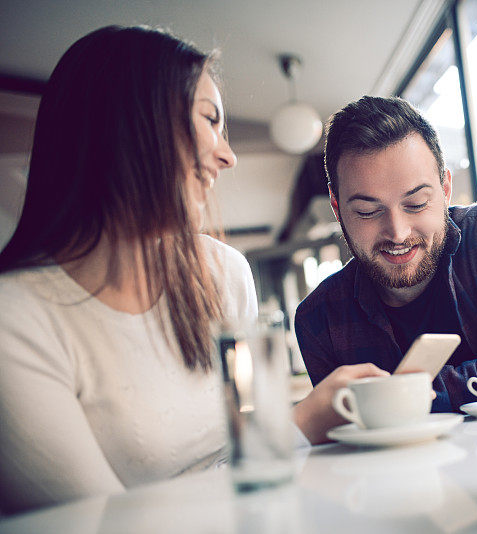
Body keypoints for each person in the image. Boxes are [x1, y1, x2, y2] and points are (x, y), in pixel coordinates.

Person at [0, 26, 385, 514]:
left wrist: (310, 422)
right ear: (129, 127)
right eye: (209, 120)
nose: (227, 155)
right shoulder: (15, 322)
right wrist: (303, 420)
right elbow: (96, 524)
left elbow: (262, 459)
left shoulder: (224, 273)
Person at [295, 96, 477, 413]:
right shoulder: (320, 319)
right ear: (338, 209)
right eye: (367, 211)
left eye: (416, 204)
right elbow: (344, 434)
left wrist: (400, 395)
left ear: (445, 189)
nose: (398, 232)